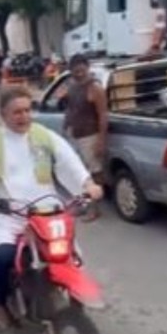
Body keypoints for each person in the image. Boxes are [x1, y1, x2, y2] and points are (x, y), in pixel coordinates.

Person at [0, 86, 103, 329]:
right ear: (3, 114)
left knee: (69, 254)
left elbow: (68, 160)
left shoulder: (44, 136)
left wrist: (87, 183)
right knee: (1, 257)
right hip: (5, 216)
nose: (23, 116)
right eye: (16, 112)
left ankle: (70, 297)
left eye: (27, 110)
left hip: (47, 211)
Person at [63, 54, 108, 221]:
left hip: (91, 136)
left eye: (81, 71)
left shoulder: (95, 88)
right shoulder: (73, 86)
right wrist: (66, 126)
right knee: (79, 173)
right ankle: (84, 205)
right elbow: (70, 108)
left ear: (87, 67)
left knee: (95, 174)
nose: (79, 74)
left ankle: (94, 209)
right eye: (75, 72)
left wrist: (101, 140)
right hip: (76, 135)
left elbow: (103, 115)